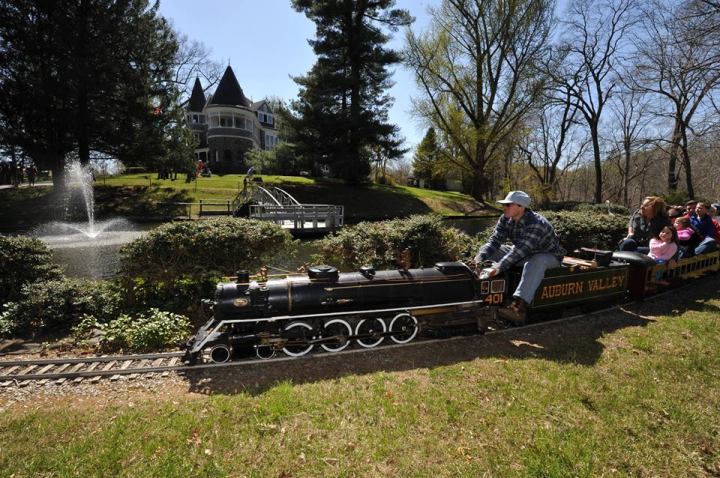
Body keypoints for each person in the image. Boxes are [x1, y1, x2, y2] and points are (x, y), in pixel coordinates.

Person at [474, 190, 566, 324]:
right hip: (523, 252)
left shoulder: (537, 224)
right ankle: (480, 289)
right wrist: (480, 258)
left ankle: (518, 308)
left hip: (548, 256)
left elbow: (520, 251)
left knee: (536, 261)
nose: (504, 208)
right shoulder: (505, 218)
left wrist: (498, 267)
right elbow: (494, 241)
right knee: (491, 250)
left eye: (508, 205)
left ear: (521, 207)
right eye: (504, 205)